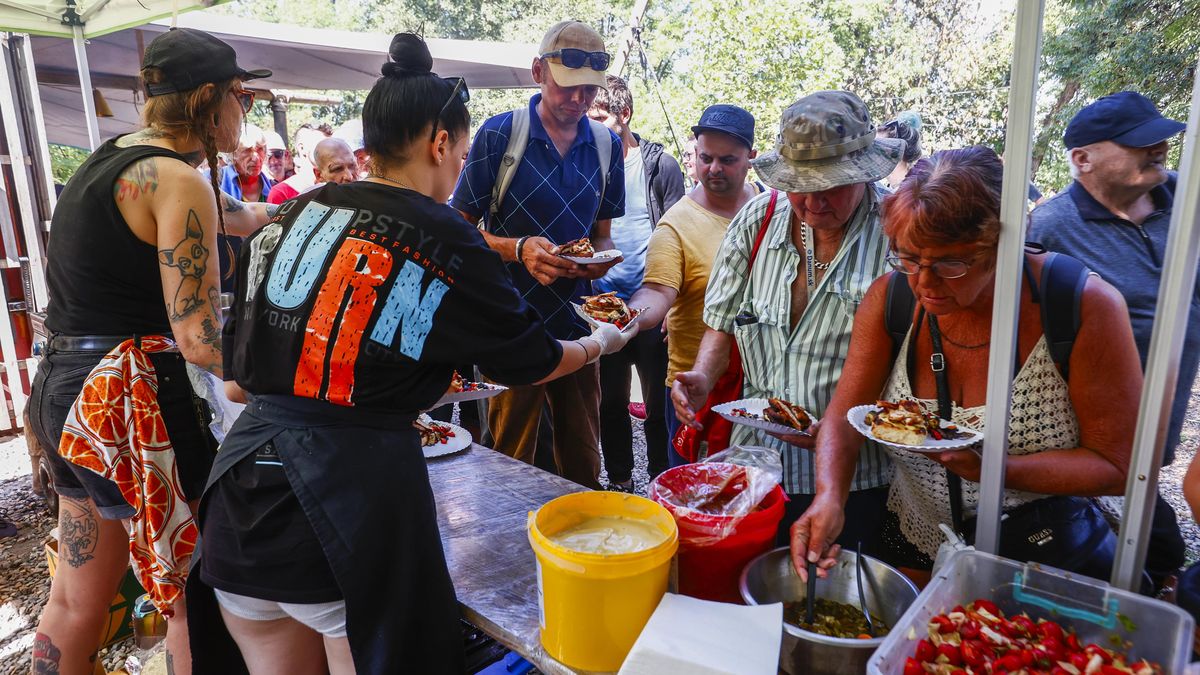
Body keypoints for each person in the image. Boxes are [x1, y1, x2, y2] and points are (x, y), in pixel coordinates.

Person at [189, 33, 635, 674]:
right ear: (440, 142)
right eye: (459, 148)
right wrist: (601, 342)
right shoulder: (444, 236)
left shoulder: (291, 219)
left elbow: (238, 387)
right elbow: (531, 363)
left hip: (238, 509)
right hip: (343, 513)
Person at [27, 27, 276, 675]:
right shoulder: (177, 180)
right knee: (190, 591)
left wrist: (302, 208)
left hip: (64, 393)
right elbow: (198, 336)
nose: (243, 110)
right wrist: (289, 372)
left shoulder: (119, 161)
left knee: (78, 601)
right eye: (240, 95)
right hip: (130, 402)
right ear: (208, 98)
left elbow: (240, 215)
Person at [792, 146, 1145, 586]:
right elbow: (845, 420)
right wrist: (829, 497)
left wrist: (994, 470)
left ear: (1004, 245)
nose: (924, 283)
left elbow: (1118, 466)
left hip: (1045, 552)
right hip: (918, 536)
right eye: (907, 258)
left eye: (951, 264)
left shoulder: (1081, 307)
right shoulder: (892, 298)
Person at [671, 91, 902, 544]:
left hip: (860, 477)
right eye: (800, 187)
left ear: (865, 173)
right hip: (757, 464)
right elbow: (723, 323)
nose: (813, 204)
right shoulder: (757, 219)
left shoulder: (897, 230)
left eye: (831, 187)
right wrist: (701, 375)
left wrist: (843, 425)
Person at [451, 20, 624, 489]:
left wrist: (602, 260)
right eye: (568, 88)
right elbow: (456, 234)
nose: (579, 101)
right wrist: (518, 248)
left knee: (583, 461)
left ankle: (578, 551)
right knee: (509, 459)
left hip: (578, 326)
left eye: (589, 91)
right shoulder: (499, 135)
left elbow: (602, 237)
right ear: (537, 72)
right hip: (508, 324)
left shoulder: (606, 146)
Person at [1028, 90, 1191, 589]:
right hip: (1094, 418)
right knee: (1124, 514)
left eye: (1160, 138)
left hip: (1166, 406)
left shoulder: (1185, 201)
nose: (1159, 147)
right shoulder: (1051, 225)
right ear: (1083, 160)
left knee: (1145, 498)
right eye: (1138, 142)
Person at [630, 104, 760, 468]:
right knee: (696, 500)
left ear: (751, 156)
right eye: (706, 158)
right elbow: (657, 291)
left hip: (761, 385)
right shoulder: (676, 225)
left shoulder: (771, 206)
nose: (714, 169)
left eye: (727, 160)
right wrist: (628, 318)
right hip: (698, 387)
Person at [587, 74, 684, 489]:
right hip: (601, 306)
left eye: (601, 117)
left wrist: (673, 304)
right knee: (610, 402)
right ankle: (622, 480)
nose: (590, 126)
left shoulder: (658, 164)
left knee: (659, 405)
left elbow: (680, 232)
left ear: (624, 115)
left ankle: (661, 481)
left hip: (650, 306)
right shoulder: (584, 161)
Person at [217, 125, 274, 293]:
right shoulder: (214, 182)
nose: (256, 157)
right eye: (247, 151)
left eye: (260, 150)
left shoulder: (274, 190)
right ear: (232, 154)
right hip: (227, 279)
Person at [266, 123, 333, 204]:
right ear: (301, 148)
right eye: (322, 145)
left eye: (331, 145)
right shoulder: (281, 193)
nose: (330, 150)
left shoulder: (337, 184)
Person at [876, 111, 922, 188]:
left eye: (881, 148)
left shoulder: (913, 192)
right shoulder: (887, 188)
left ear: (901, 152)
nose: (872, 153)